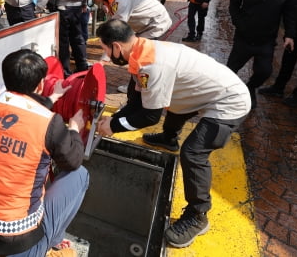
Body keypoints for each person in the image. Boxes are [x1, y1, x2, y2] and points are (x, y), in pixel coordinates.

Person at [94, 19, 250, 249]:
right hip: (202, 92)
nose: (106, 55)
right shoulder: (141, 50)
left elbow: (149, 116)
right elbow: (137, 102)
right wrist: (115, 120)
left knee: (193, 153)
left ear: (117, 46)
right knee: (173, 105)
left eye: (105, 49)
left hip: (229, 101)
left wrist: (114, 127)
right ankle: (168, 138)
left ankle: (198, 215)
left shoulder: (152, 66)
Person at [0, 49, 88, 257]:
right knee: (80, 174)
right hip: (19, 244)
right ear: (39, 85)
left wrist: (54, 96)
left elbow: (19, 114)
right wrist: (74, 128)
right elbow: (73, 160)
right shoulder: (50, 122)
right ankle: (53, 241)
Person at [226, 0, 297, 109]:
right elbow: (234, 5)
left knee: (264, 72)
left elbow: (290, 13)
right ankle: (226, 94)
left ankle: (250, 87)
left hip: (266, 40)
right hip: (244, 37)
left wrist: (289, 35)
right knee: (231, 69)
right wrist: (239, 23)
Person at [84, 0, 173, 93]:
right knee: (136, 54)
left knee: (138, 54)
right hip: (144, 26)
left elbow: (116, 31)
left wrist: (103, 60)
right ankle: (138, 87)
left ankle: (139, 90)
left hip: (155, 24)